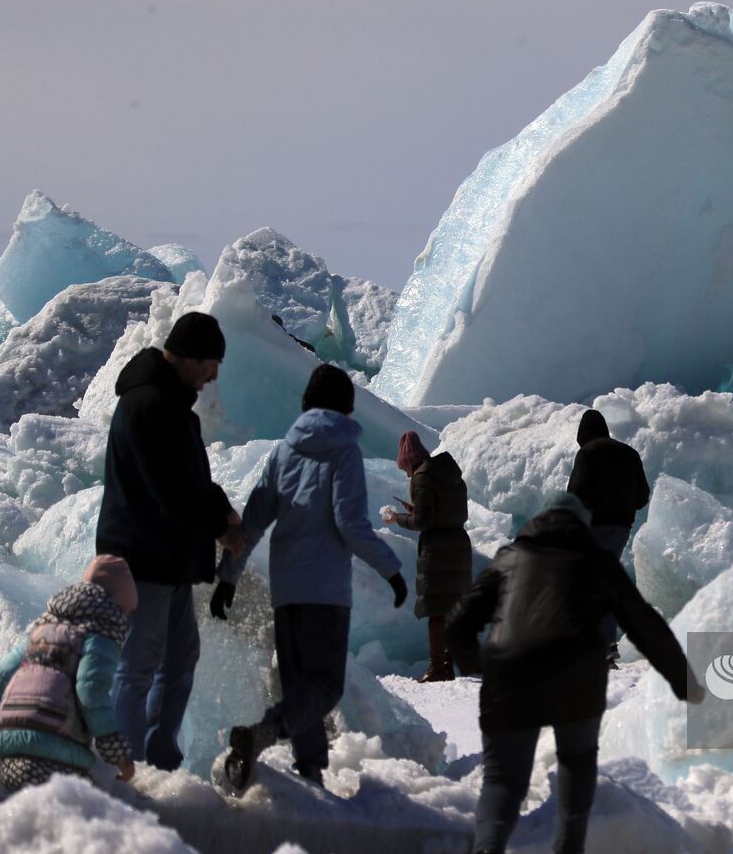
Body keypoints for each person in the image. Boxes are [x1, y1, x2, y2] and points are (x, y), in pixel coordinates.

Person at [447, 492, 704, 854]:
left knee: (502, 781)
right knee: (576, 763)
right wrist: (685, 682)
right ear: (583, 526)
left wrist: (478, 665)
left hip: (510, 674)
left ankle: (486, 848)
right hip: (577, 674)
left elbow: (458, 621)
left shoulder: (511, 558)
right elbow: (644, 623)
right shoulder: (598, 560)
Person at [212, 364, 408, 791]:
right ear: (347, 408)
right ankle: (264, 732)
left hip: (287, 590)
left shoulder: (284, 452)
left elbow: (254, 520)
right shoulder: (344, 451)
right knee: (324, 685)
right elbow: (350, 524)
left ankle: (311, 771)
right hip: (325, 592)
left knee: (302, 686)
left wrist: (228, 577)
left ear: (306, 404)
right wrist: (391, 569)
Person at [94, 311, 242, 771]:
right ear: (188, 357)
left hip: (169, 559)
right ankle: (125, 772)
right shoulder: (150, 405)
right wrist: (220, 527)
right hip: (143, 558)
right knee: (138, 667)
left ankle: (159, 758)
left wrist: (223, 511)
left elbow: (192, 480)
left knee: (179, 660)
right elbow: (170, 490)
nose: (213, 376)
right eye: (210, 364)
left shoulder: (170, 404)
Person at [0, 556, 139, 792]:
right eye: (127, 612)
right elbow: (90, 692)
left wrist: (11, 721)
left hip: (9, 750)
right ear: (115, 606)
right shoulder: (100, 636)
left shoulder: (39, 630)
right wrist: (118, 755)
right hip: (57, 760)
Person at [381, 430, 473, 683]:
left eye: (404, 468)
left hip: (438, 549)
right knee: (451, 609)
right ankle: (448, 667)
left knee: (436, 611)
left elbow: (424, 521)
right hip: (458, 545)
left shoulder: (422, 478)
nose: (405, 473)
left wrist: (397, 518)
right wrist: (416, 509)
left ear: (409, 461)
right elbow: (448, 511)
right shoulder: (450, 474)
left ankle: (436, 668)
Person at [566, 408, 651, 665]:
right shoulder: (629, 453)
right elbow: (642, 496)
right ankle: (607, 643)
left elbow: (576, 493)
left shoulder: (588, 453)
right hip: (621, 528)